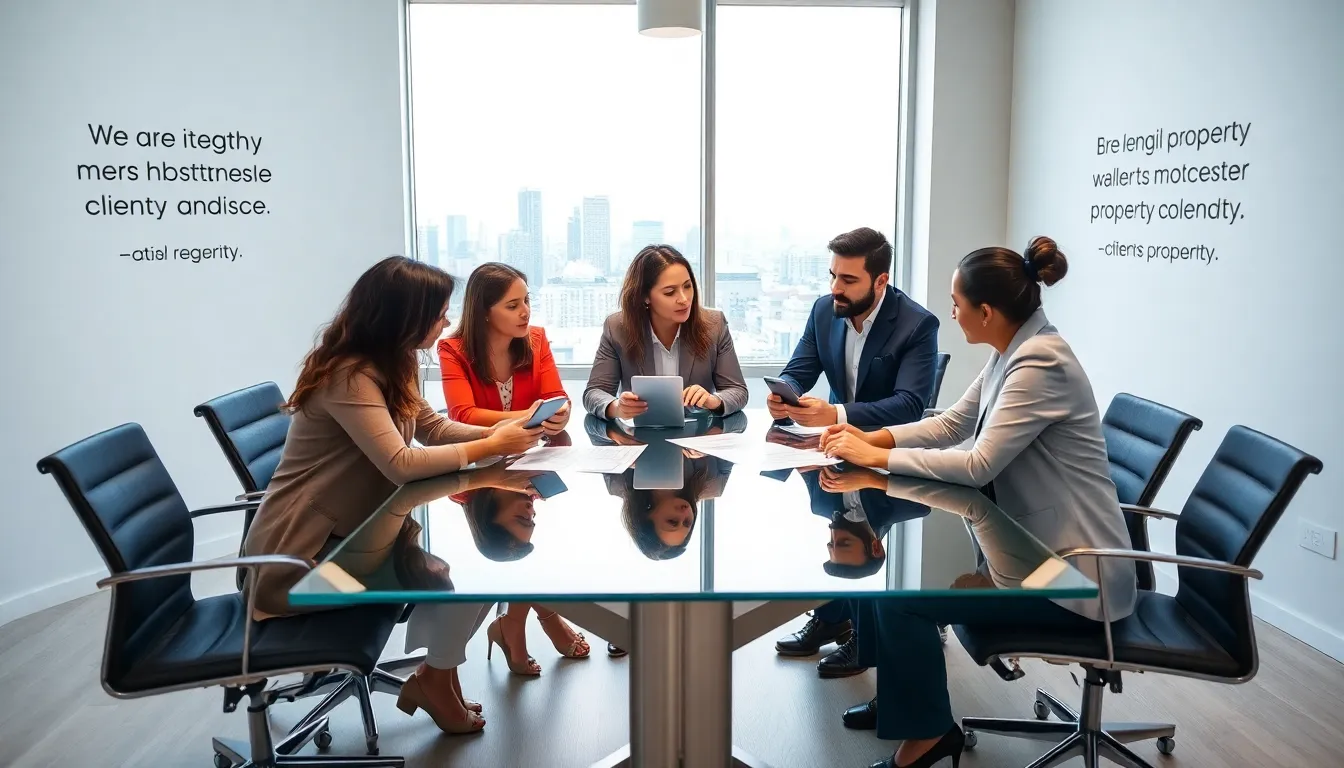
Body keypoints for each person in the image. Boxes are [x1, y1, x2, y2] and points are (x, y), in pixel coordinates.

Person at [819, 237, 1137, 768]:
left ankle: (927, 738)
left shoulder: (1040, 362)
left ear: (985, 311)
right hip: (1035, 552)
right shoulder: (1011, 351)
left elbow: (976, 464)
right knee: (893, 579)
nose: (952, 312)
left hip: (1074, 579)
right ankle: (904, 702)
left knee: (903, 599)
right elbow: (952, 424)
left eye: (956, 303)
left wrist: (873, 461)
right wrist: (872, 441)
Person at [242, 255, 544, 736]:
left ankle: (435, 679)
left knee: (458, 578)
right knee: (456, 581)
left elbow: (431, 427)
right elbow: (399, 463)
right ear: (406, 316)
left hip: (358, 535)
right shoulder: (349, 375)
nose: (447, 321)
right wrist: (488, 447)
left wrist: (512, 425)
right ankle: (435, 682)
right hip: (301, 564)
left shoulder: (397, 359)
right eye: (440, 313)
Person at [771, 227, 940, 678]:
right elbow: (801, 367)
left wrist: (838, 413)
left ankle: (863, 636)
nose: (835, 289)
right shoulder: (825, 311)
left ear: (880, 281)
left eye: (848, 280)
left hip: (890, 461)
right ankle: (833, 619)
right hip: (836, 454)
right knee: (832, 516)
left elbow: (911, 404)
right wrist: (785, 394)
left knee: (854, 522)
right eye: (832, 276)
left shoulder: (917, 325)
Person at [438, 262, 590, 670]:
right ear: (485, 311)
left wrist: (559, 415)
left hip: (531, 453)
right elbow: (463, 415)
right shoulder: (453, 350)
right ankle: (536, 618)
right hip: (478, 461)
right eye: (513, 305)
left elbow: (557, 396)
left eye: (527, 301)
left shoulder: (536, 340)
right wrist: (530, 416)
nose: (526, 312)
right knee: (532, 561)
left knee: (543, 557)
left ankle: (519, 623)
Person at [584, 244, 748, 420]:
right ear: (645, 297)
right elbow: (594, 393)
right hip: (640, 437)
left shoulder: (714, 325)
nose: (684, 299)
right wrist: (616, 407)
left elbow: (737, 391)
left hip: (697, 437)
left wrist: (713, 400)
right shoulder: (617, 328)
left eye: (687, 286)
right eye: (670, 292)